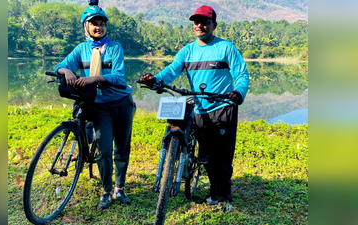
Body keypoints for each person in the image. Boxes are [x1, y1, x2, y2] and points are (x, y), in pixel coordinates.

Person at [139, 5, 249, 209]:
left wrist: (238, 92)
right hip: (199, 108)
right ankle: (214, 191)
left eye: (205, 22)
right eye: (196, 22)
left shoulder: (226, 47)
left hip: (223, 106)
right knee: (206, 156)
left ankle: (222, 197)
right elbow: (172, 70)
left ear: (213, 25)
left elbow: (241, 74)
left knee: (221, 156)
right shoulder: (187, 50)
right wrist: (155, 79)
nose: (200, 25)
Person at [55, 5, 136, 209]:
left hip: (121, 103)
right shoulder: (80, 49)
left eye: (101, 23)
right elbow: (60, 66)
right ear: (86, 27)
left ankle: (120, 188)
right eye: (94, 23)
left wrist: (94, 78)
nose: (98, 27)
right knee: (104, 148)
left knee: (121, 146)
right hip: (99, 106)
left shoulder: (115, 47)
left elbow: (118, 76)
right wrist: (68, 72)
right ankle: (107, 191)